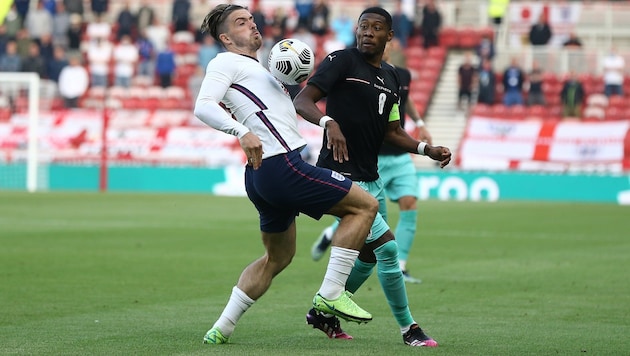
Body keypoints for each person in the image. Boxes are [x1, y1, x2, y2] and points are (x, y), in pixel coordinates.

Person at [194, 4, 380, 345]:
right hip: (282, 166)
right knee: (365, 206)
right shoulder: (225, 62)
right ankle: (331, 292)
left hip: (263, 175)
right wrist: (241, 132)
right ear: (225, 38)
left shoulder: (264, 70)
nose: (251, 24)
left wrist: (323, 117)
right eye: (240, 22)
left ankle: (221, 328)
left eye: (250, 18)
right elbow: (203, 105)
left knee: (278, 257)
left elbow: (285, 107)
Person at [293, 6, 451, 347]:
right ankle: (409, 329)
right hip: (338, 173)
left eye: (376, 28)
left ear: (389, 36)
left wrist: (426, 149)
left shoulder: (392, 78)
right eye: (363, 26)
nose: (368, 32)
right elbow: (302, 99)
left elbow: (392, 132)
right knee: (388, 248)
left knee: (366, 256)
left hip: (371, 177)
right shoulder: (341, 62)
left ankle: (323, 311)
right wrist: (327, 122)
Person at [310, 38, 434, 285]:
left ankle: (401, 265)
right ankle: (331, 236)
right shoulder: (356, 73)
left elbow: (404, 99)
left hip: (399, 158)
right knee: (366, 216)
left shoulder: (401, 76)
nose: (383, 45)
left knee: (409, 205)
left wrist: (420, 124)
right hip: (372, 158)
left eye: (386, 39)